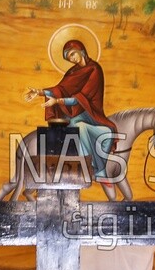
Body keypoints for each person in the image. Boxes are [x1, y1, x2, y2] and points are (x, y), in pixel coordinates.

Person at [24, 39, 117, 186]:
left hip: (91, 113)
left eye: (72, 54)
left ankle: (96, 167)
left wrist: (58, 102)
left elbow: (80, 99)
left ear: (81, 51)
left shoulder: (94, 70)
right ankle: (95, 171)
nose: (72, 59)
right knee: (80, 127)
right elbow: (59, 89)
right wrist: (39, 92)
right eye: (69, 58)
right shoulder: (72, 72)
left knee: (109, 132)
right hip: (73, 115)